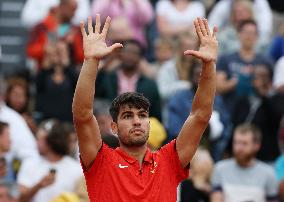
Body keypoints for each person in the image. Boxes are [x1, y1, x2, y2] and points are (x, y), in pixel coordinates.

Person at [72, 14, 218, 201]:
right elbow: (83, 115)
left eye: (142, 115)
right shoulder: (101, 161)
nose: (136, 121)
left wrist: (209, 65)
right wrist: (91, 61)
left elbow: (200, 115)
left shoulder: (169, 161)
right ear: (113, 127)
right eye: (127, 116)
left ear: (149, 122)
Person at [17, 119, 83, 202]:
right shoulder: (29, 164)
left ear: (52, 141)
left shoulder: (77, 169)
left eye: (42, 139)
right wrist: (39, 186)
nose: (37, 143)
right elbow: (20, 199)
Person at [211, 123, 278, 202]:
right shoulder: (220, 169)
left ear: (257, 146)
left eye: (244, 143)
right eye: (236, 142)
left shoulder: (269, 173)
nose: (239, 148)